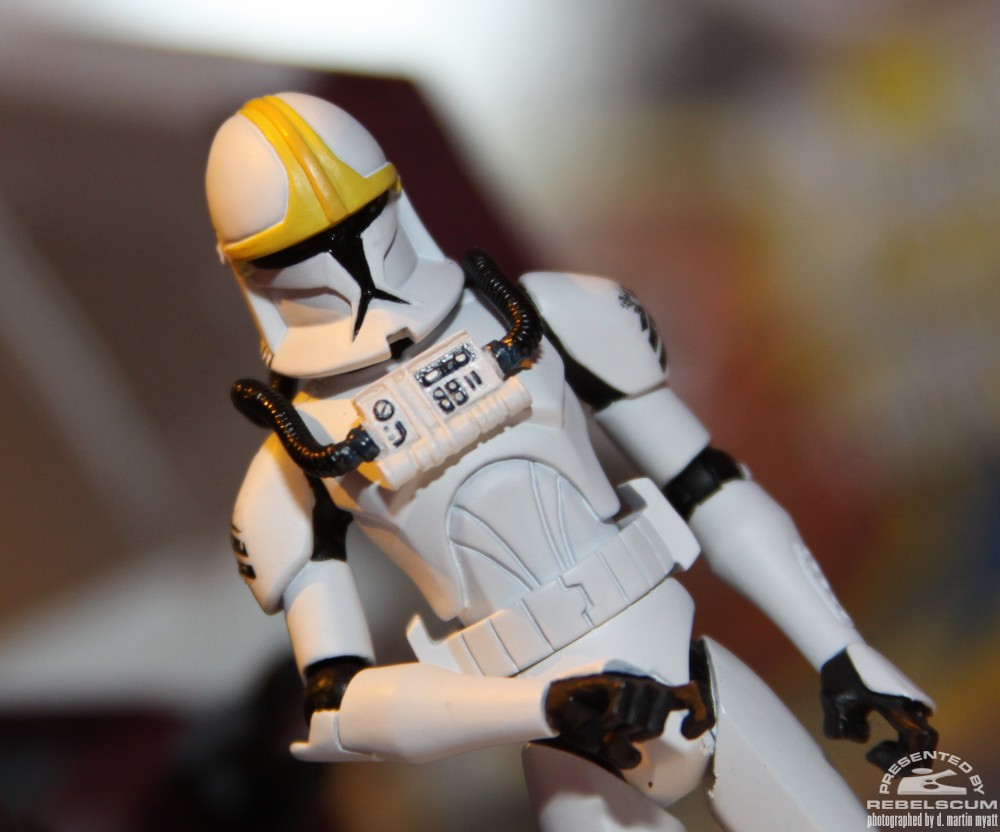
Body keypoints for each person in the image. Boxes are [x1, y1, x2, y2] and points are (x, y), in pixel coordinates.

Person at [205, 92, 936, 831]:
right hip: (565, 740)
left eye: (360, 225)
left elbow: (708, 483)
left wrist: (840, 647)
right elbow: (342, 708)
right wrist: (540, 707)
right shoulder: (291, 464)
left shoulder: (549, 314)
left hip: (690, 671)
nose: (351, 265)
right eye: (302, 252)